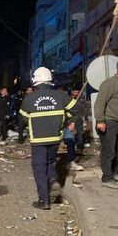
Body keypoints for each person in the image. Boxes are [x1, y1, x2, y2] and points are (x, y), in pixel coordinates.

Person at [19, 67, 84, 209]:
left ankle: (44, 200)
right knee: (50, 162)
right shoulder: (60, 95)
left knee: (39, 168)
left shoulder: (29, 99)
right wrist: (68, 120)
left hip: (38, 140)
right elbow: (79, 108)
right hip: (55, 138)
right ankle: (53, 178)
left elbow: (23, 119)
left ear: (35, 81)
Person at [93, 62, 118, 188]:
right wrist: (100, 121)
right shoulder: (109, 83)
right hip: (109, 121)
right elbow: (99, 104)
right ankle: (107, 178)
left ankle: (115, 174)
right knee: (109, 150)